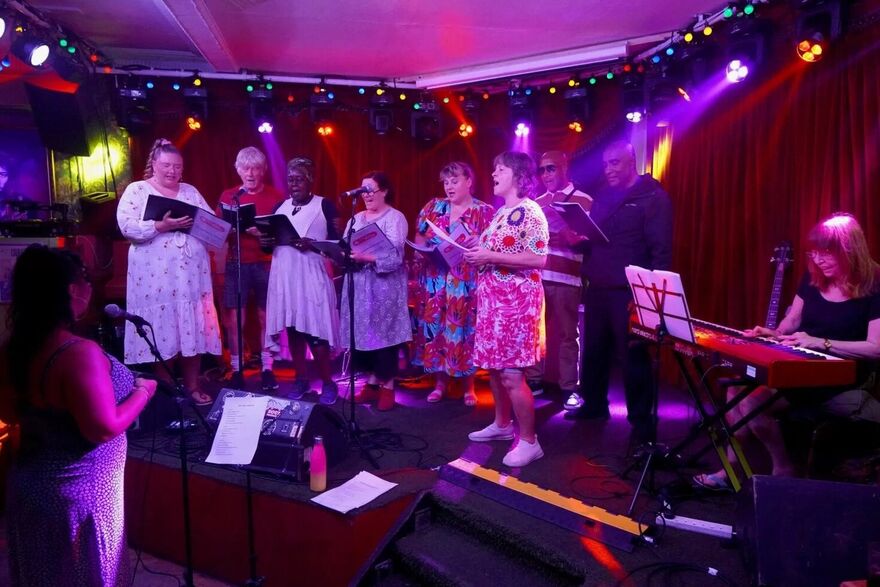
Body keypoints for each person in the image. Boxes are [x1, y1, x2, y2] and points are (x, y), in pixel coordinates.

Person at [1, 245, 157, 586]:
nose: (91, 287)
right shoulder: (77, 353)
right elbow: (103, 428)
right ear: (72, 289)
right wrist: (143, 392)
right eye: (86, 278)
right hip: (79, 500)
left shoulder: (14, 348)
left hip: (31, 488)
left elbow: (8, 412)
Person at [694, 212, 880, 489]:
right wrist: (775, 334)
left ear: (849, 250)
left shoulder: (874, 283)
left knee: (751, 400)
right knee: (736, 390)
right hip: (802, 365)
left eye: (826, 254)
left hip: (841, 377)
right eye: (814, 254)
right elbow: (792, 321)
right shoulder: (814, 276)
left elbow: (875, 348)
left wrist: (822, 343)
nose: (818, 261)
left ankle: (781, 467)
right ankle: (732, 469)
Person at [566, 140, 673, 446]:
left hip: (629, 290)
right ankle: (594, 405)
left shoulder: (653, 197)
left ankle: (641, 423)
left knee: (633, 358)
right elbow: (599, 239)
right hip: (598, 285)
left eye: (615, 163)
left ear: (631, 162)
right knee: (594, 353)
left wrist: (653, 299)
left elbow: (661, 251)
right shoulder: (603, 195)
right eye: (605, 164)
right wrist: (580, 240)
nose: (608, 170)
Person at [116, 138, 222, 405]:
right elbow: (126, 226)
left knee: (192, 331)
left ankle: (192, 387)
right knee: (163, 333)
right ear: (154, 164)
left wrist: (202, 225)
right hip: (157, 282)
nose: (173, 171)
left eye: (177, 166)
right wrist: (160, 226)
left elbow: (212, 227)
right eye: (166, 165)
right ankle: (166, 393)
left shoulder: (189, 191)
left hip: (191, 280)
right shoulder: (137, 190)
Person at [465, 151, 549, 467]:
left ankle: (530, 441)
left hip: (516, 307)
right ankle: (502, 425)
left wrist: (490, 256)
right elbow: (492, 249)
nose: (494, 174)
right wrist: (474, 248)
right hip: (493, 306)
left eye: (500, 169)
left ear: (517, 175)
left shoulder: (531, 211)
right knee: (497, 371)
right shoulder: (501, 213)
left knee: (512, 374)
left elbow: (539, 258)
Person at [413, 161, 495, 406]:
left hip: (467, 280)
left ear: (469, 182)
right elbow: (419, 235)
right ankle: (440, 383)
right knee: (437, 328)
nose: (449, 186)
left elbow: (493, 245)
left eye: (455, 181)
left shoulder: (485, 211)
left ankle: (469, 386)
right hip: (436, 279)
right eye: (446, 182)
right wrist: (421, 251)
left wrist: (479, 241)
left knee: (465, 331)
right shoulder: (433, 207)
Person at [263, 157, 341, 404]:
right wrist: (266, 241)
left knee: (316, 331)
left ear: (310, 180)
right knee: (294, 329)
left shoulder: (324, 206)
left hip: (311, 274)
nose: (293, 184)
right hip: (285, 275)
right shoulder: (279, 207)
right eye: (290, 179)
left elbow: (338, 245)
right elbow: (269, 244)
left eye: (299, 179)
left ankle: (328, 382)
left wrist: (313, 244)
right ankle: (300, 378)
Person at [527, 150, 593, 411]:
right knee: (535, 332)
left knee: (568, 335)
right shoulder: (536, 201)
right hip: (539, 275)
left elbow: (588, 239)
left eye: (551, 168)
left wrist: (569, 235)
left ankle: (569, 388)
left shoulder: (584, 200)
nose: (545, 175)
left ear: (565, 167)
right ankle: (533, 381)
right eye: (542, 170)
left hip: (567, 275)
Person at [215, 146, 284, 392]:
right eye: (246, 168)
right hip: (237, 262)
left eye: (256, 168)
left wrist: (262, 233)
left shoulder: (277, 197)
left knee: (267, 317)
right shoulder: (228, 196)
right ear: (238, 170)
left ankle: (268, 369)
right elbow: (216, 233)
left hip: (267, 264)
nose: (251, 173)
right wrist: (231, 229)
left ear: (264, 170)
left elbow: (285, 236)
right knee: (235, 321)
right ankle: (237, 369)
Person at [342, 171, 411, 411]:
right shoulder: (356, 218)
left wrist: (368, 257)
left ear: (384, 191)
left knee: (383, 338)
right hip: (360, 288)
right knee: (363, 338)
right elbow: (346, 247)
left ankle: (388, 387)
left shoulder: (395, 218)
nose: (366, 195)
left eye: (370, 189)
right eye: (362, 190)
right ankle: (371, 384)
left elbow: (395, 256)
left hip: (384, 289)